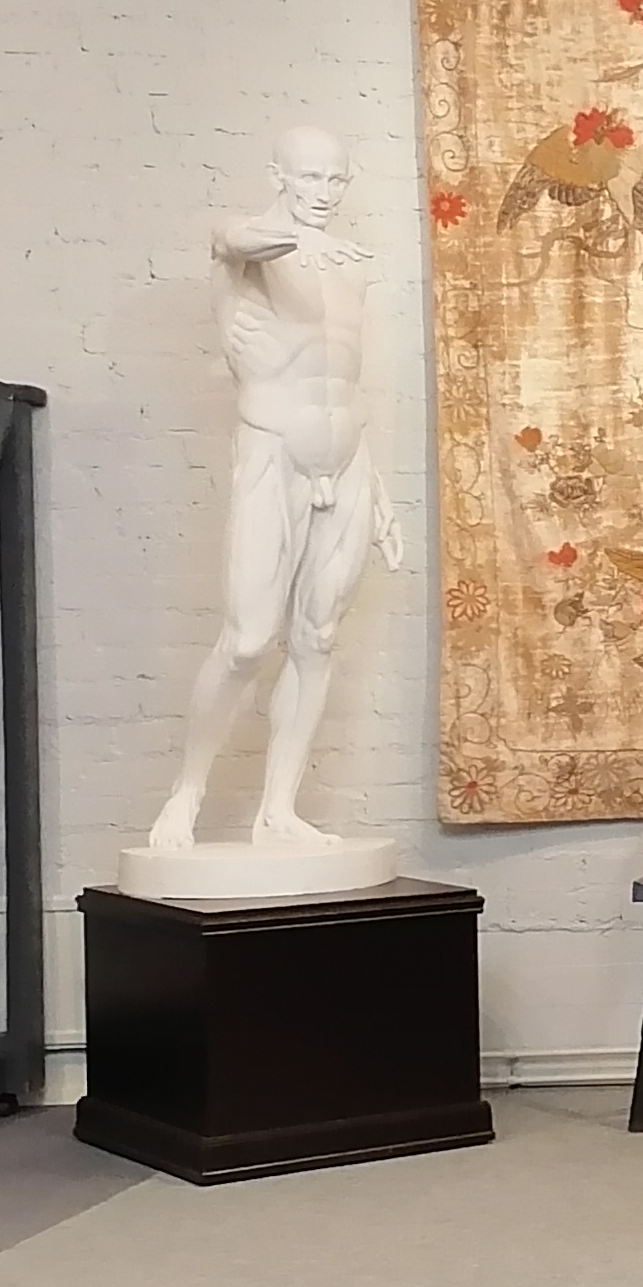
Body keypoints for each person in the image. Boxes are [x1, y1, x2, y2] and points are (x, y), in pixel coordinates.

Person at [148, 127, 397, 855]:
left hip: (347, 458)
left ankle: (278, 811)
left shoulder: (352, 266)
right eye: (309, 177)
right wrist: (287, 237)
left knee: (318, 637)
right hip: (272, 449)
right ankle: (187, 793)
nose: (324, 193)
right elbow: (235, 237)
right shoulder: (250, 249)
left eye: (336, 180)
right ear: (279, 175)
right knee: (249, 640)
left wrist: (378, 489)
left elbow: (343, 378)